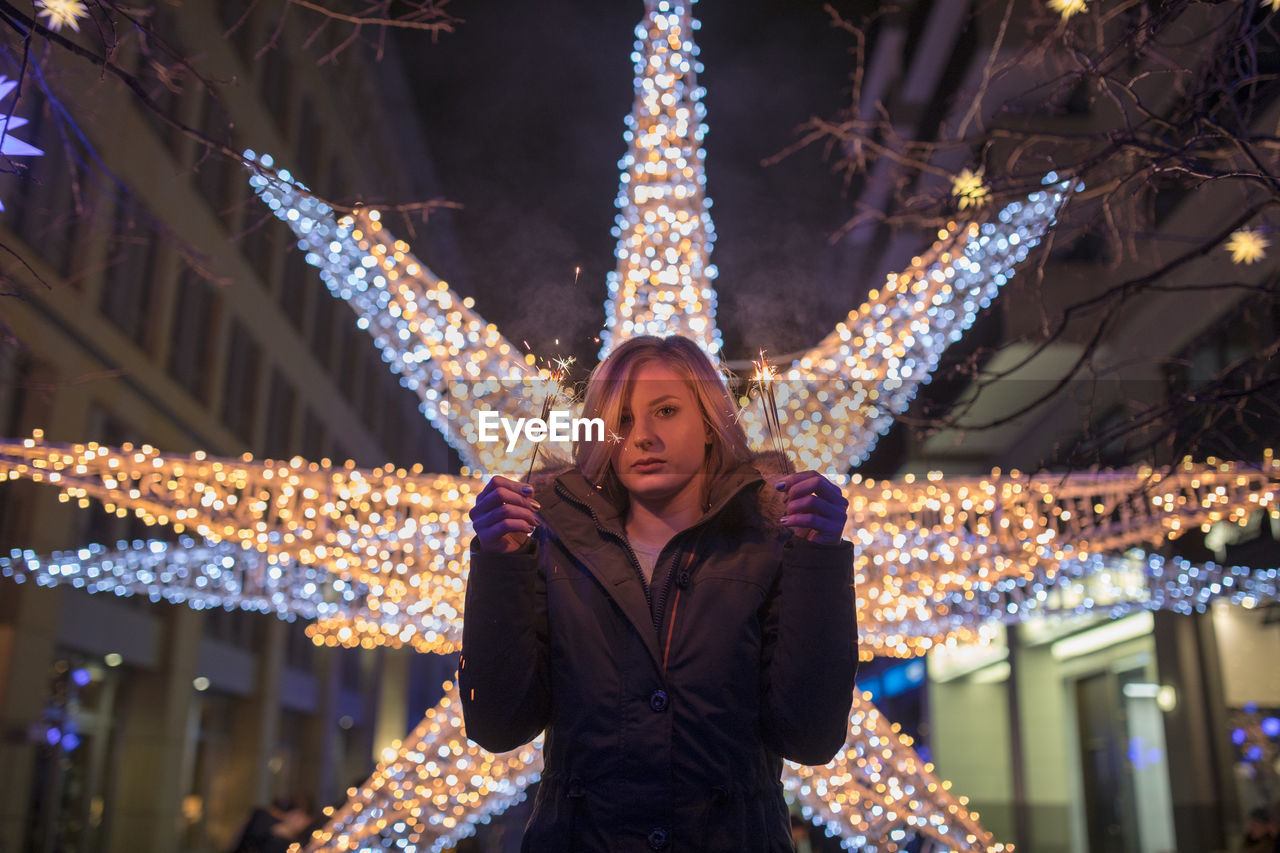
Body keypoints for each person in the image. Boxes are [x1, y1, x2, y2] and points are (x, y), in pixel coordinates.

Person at [461, 334, 858, 851]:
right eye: (621, 420)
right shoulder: (548, 547)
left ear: (712, 424)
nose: (642, 436)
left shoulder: (771, 548)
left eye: (666, 410)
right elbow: (498, 724)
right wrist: (499, 564)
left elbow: (810, 734)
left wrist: (818, 559)